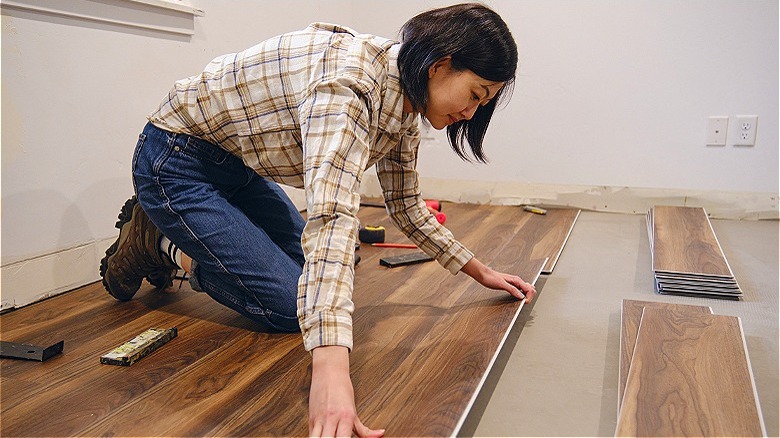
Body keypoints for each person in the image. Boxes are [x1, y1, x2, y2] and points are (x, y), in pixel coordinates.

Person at [100, 3, 536, 436]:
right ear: (440, 65)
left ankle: (174, 231)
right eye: (476, 95)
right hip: (176, 161)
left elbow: (405, 205)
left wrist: (479, 271)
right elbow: (331, 219)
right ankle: (158, 244)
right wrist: (330, 372)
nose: (471, 113)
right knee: (292, 306)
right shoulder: (348, 88)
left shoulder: (404, 98)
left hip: (237, 167)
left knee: (317, 279)